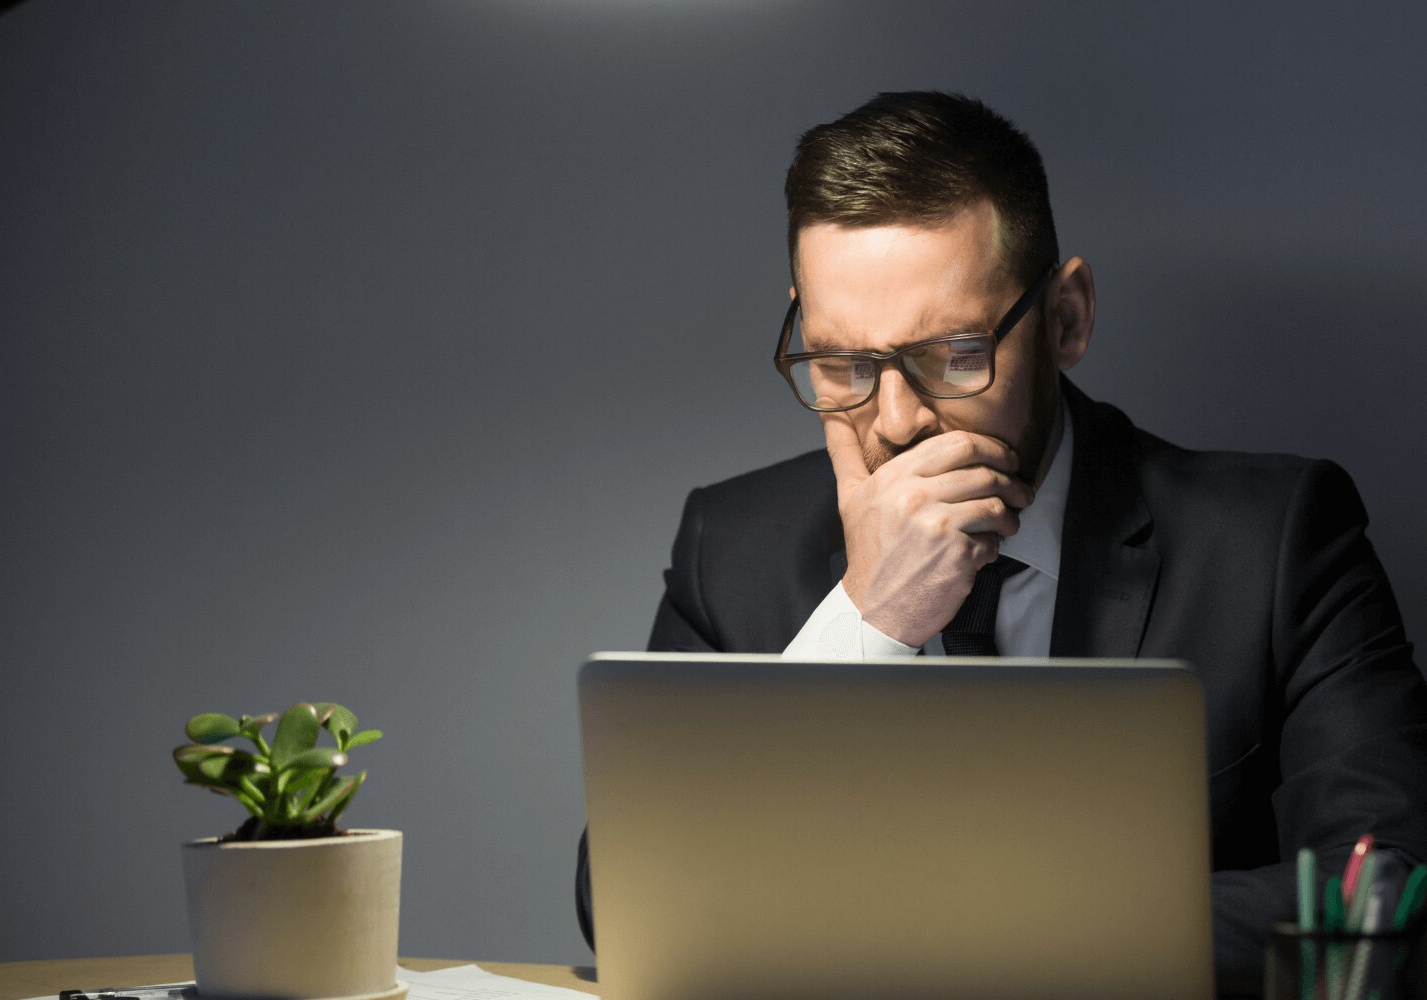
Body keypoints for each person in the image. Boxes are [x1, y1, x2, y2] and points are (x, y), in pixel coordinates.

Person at [576, 90, 1427, 990]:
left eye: (951, 354)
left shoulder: (1277, 539)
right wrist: (869, 623)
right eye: (842, 364)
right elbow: (627, 901)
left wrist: (979, 933)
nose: (896, 422)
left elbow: (1384, 890)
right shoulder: (730, 545)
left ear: (1066, 318)